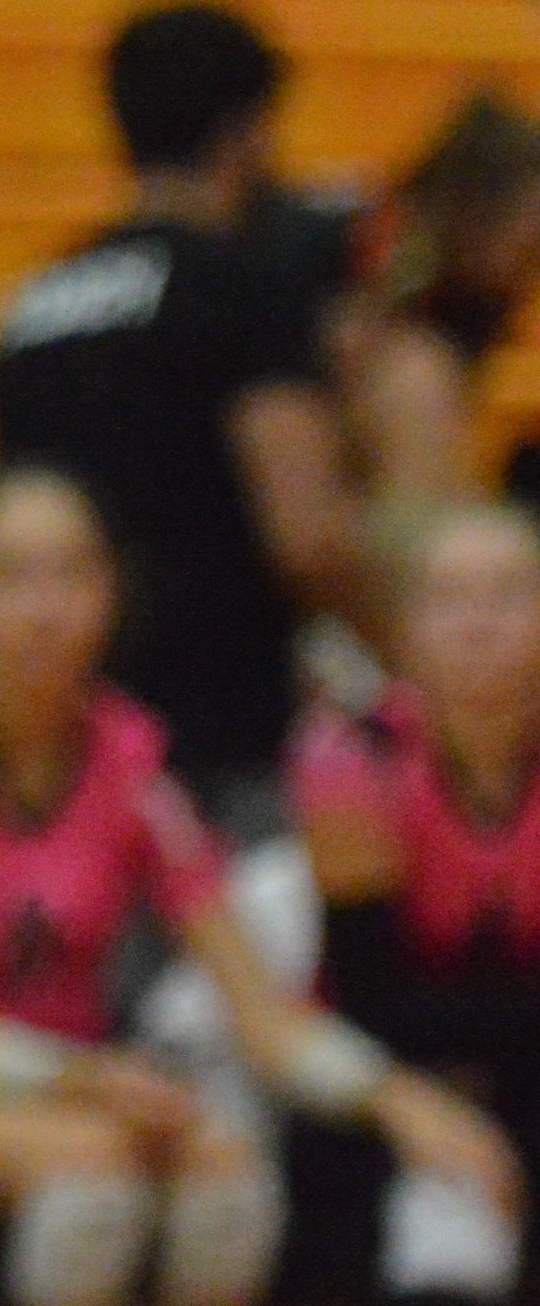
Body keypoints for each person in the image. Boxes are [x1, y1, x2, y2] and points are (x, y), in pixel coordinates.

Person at [0, 467, 511, 1306]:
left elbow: (261, 1012)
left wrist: (400, 1102)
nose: (45, 608)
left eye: (72, 573)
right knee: (93, 1174)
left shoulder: (133, 754)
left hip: (92, 1086)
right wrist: (97, 1082)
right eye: (13, 576)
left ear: (112, 594)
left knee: (228, 1166)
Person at [0, 1, 369, 812]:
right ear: (246, 131)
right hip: (221, 735)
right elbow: (308, 535)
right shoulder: (249, 287)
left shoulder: (32, 305)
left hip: (64, 734)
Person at [292, 503, 540, 1306]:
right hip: (382, 1073)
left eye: (509, 593)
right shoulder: (353, 752)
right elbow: (373, 998)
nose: (480, 622)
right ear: (404, 627)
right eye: (451, 597)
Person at [334, 99, 540, 516]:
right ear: (475, 221)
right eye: (528, 251)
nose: (528, 276)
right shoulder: (412, 365)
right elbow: (422, 542)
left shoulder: (409, 345)